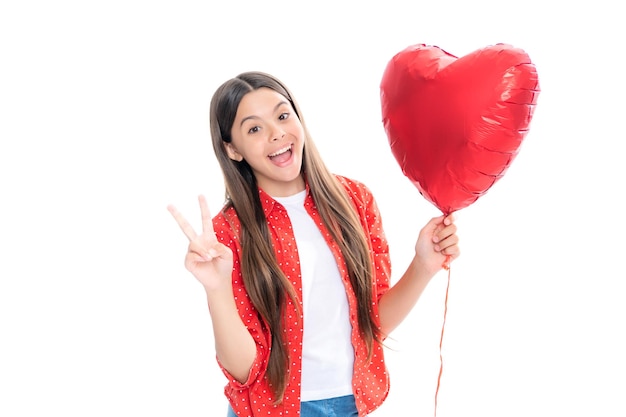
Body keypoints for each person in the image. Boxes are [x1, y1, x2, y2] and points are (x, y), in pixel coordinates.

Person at [167, 71, 460, 417]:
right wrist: (216, 289)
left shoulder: (355, 201)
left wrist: (424, 265)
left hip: (352, 403)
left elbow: (372, 323)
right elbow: (244, 370)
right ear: (233, 149)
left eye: (282, 115)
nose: (277, 133)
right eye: (255, 129)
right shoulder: (226, 234)